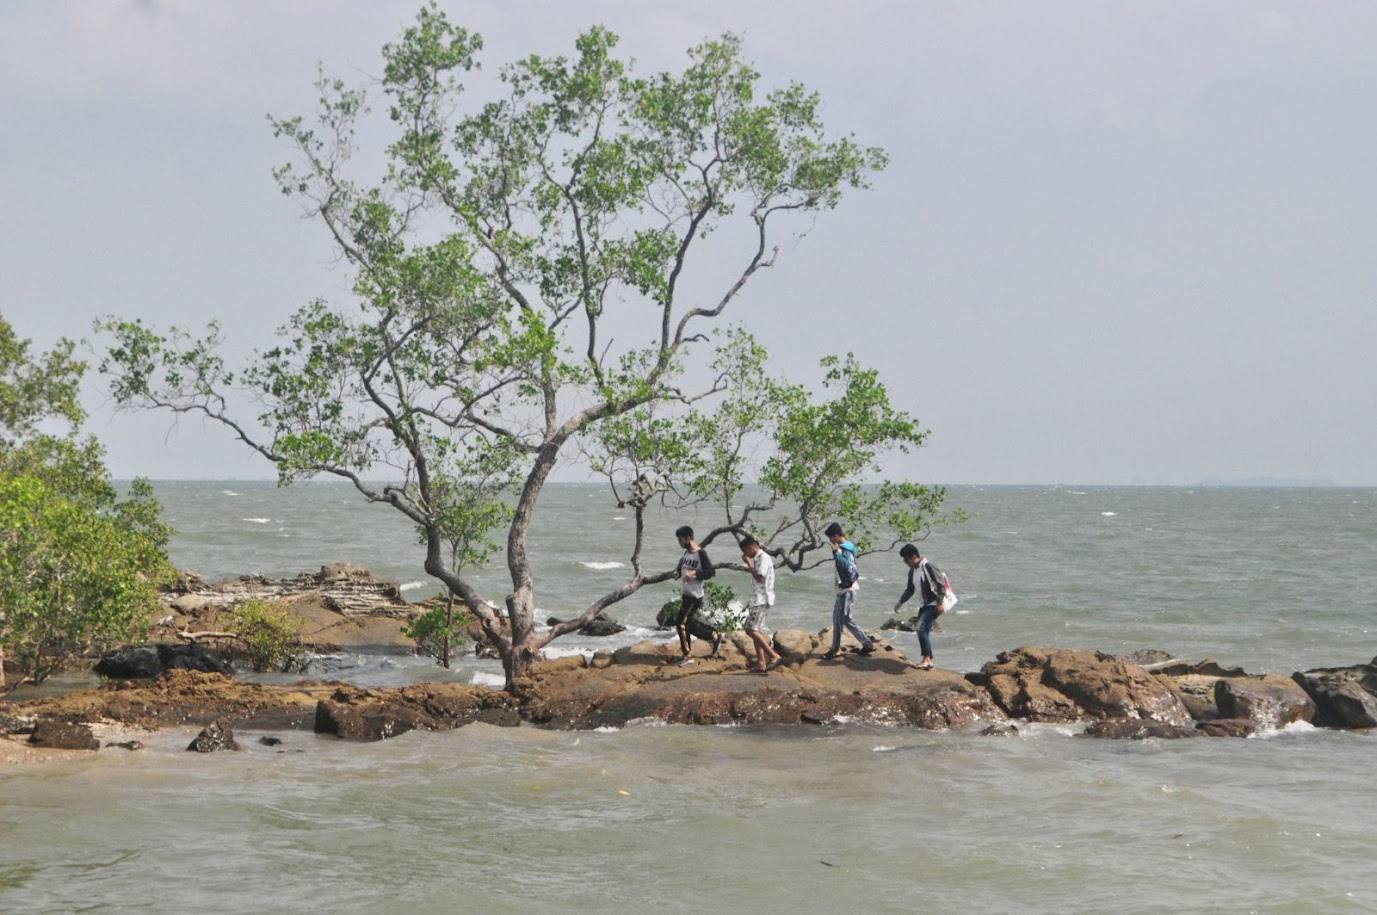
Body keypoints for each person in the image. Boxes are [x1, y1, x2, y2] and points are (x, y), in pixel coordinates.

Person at [821, 522, 875, 659]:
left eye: (831, 538)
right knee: (837, 619)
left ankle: (867, 643)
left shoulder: (845, 549)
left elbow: (845, 566)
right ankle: (835, 648)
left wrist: (835, 552)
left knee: (845, 618)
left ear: (836, 536)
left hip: (848, 588)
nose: (831, 542)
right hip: (842, 589)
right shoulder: (846, 547)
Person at [892, 543, 948, 670]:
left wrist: (940, 602)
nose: (905, 562)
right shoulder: (912, 571)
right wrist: (900, 602)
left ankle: (927, 659)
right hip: (924, 605)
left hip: (934, 604)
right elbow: (910, 589)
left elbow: (941, 584)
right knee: (924, 631)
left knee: (921, 629)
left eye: (907, 559)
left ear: (914, 556)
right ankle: (930, 660)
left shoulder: (928, 566)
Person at [670, 525, 720, 665]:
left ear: (689, 538)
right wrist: (677, 572)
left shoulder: (701, 553)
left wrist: (695, 573)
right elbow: (682, 567)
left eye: (680, 539)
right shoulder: (686, 554)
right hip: (687, 594)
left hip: (694, 596)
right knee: (689, 624)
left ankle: (687, 656)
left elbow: (711, 572)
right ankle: (714, 636)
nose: (679, 542)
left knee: (680, 623)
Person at [740, 536, 782, 673]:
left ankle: (773, 655)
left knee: (750, 630)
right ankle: (761, 663)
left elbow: (760, 577)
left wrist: (749, 564)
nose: (746, 554)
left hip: (761, 599)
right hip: (758, 599)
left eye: (746, 551)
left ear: (751, 547)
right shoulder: (759, 558)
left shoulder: (763, 558)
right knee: (756, 631)